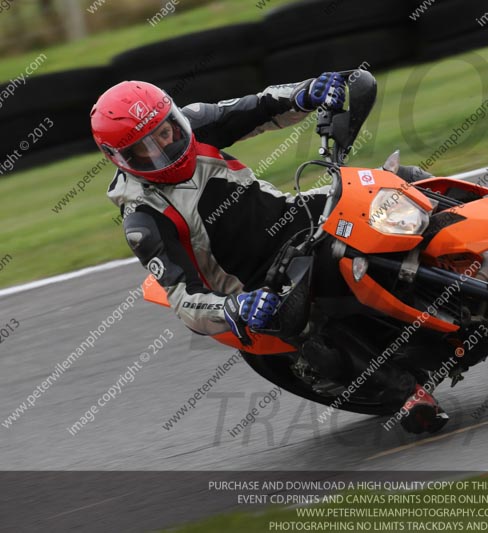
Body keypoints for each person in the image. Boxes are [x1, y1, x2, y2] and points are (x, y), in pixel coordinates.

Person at [90, 75, 448, 434]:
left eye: (166, 133)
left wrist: (307, 93)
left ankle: (466, 242)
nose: (165, 148)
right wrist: (235, 308)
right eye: (146, 149)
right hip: (259, 281)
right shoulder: (143, 218)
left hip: (294, 216)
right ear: (121, 158)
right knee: (300, 324)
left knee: (396, 181)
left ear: (174, 118)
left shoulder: (196, 121)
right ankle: (406, 395)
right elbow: (183, 299)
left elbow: (262, 106)